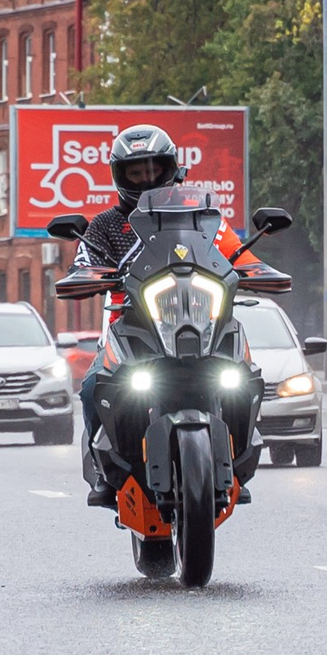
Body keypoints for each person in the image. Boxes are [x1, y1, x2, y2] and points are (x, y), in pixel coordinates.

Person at [72, 124, 258, 504]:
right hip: (130, 328)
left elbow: (239, 255)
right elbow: (83, 265)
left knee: (243, 376)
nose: (146, 179)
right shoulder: (105, 225)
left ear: (170, 167)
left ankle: (239, 457)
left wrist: (259, 270)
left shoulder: (202, 218)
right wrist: (84, 278)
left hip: (200, 323)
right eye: (136, 172)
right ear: (120, 175)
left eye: (154, 169)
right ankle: (104, 473)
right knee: (93, 388)